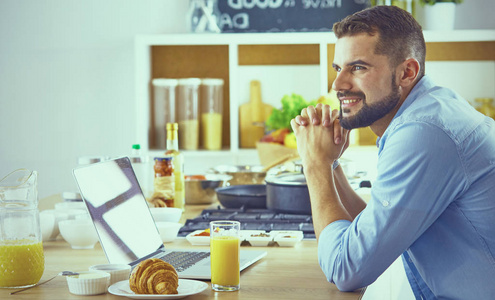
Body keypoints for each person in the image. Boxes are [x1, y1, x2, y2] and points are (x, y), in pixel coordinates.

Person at [291, 5, 495, 300]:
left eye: (358, 67)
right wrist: (332, 164)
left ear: (407, 72)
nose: (338, 84)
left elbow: (346, 270)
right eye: (338, 68)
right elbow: (376, 231)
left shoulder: (424, 133)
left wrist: (315, 164)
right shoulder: (425, 113)